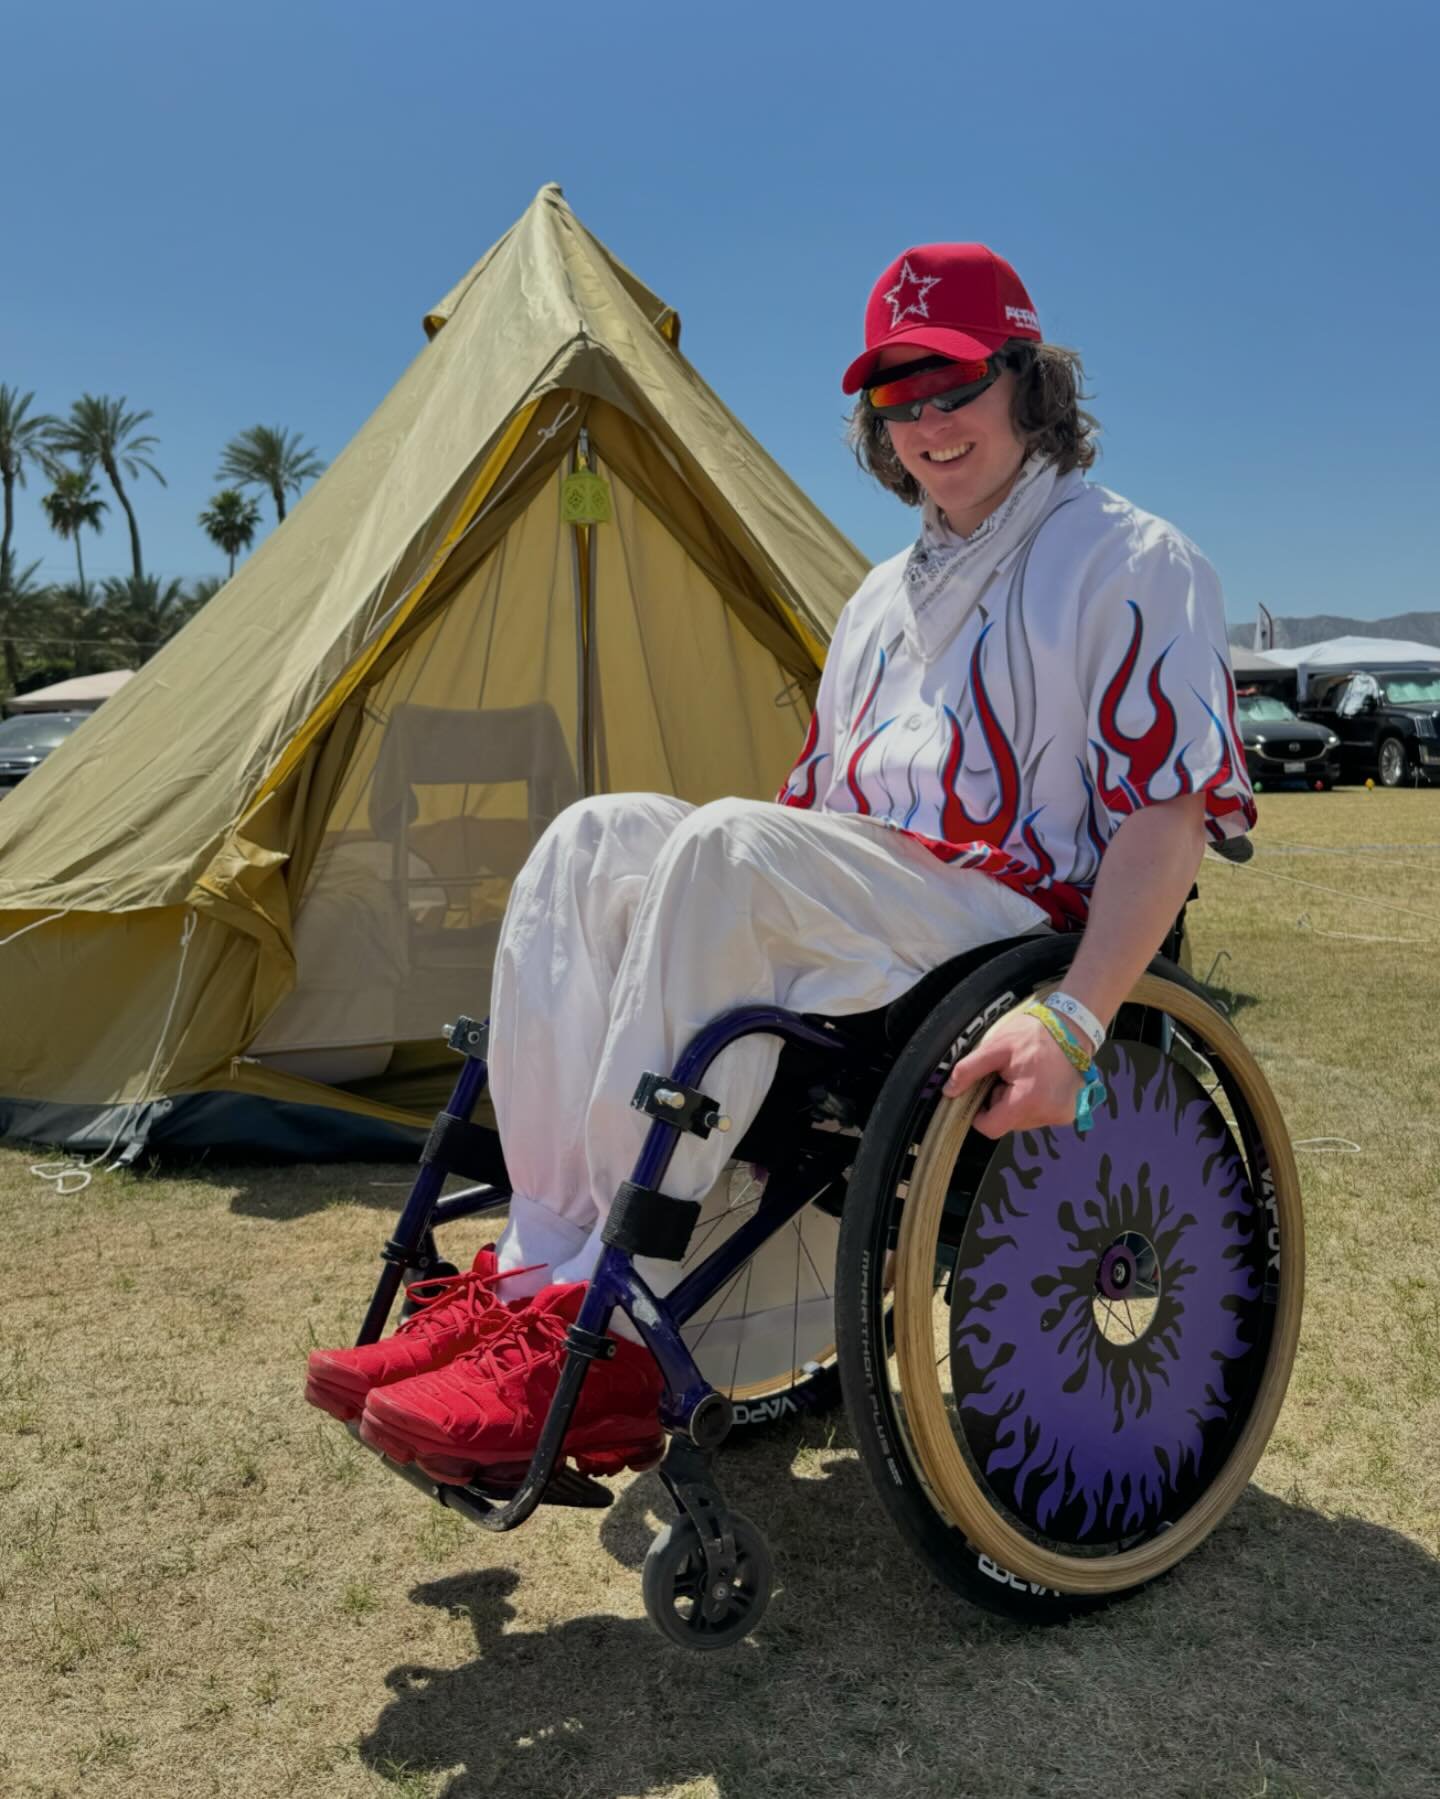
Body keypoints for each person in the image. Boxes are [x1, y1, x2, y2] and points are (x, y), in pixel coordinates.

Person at [307, 242, 1255, 1483]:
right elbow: (811, 810)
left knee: (725, 841)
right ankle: (541, 1270)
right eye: (899, 402)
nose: (929, 424)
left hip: (1009, 913)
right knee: (592, 834)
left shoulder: (1133, 560)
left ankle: (616, 1319)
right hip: (875, 898)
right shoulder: (874, 601)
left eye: (956, 387)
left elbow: (1171, 815)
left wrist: (1077, 1018)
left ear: (1028, 381)